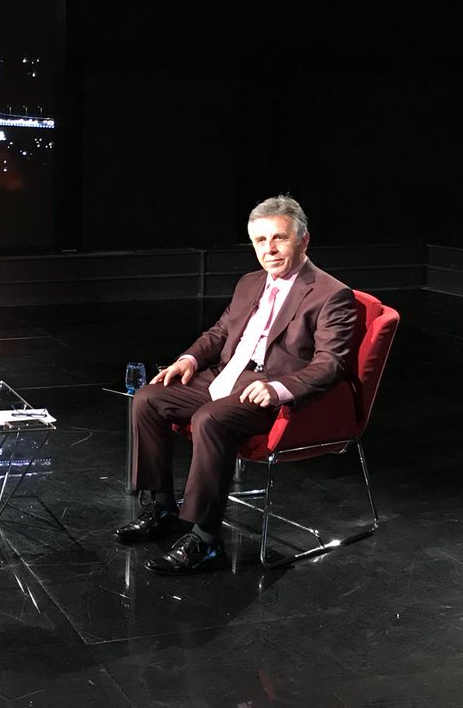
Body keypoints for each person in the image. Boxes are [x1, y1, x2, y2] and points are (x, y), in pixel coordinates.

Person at [117, 195, 357, 575]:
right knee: (148, 398)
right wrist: (189, 359)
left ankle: (205, 539)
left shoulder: (331, 294)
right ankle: (161, 508)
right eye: (260, 241)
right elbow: (220, 332)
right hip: (225, 376)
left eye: (279, 238)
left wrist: (279, 389)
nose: (269, 249)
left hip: (270, 390)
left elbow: (331, 364)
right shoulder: (250, 282)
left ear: (303, 240)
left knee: (210, 419)